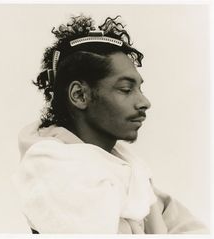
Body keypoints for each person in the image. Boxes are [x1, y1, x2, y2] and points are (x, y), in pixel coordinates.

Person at [12, 15, 208, 234]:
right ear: (79, 95)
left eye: (139, 89)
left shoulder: (130, 168)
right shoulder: (51, 170)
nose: (144, 102)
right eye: (125, 89)